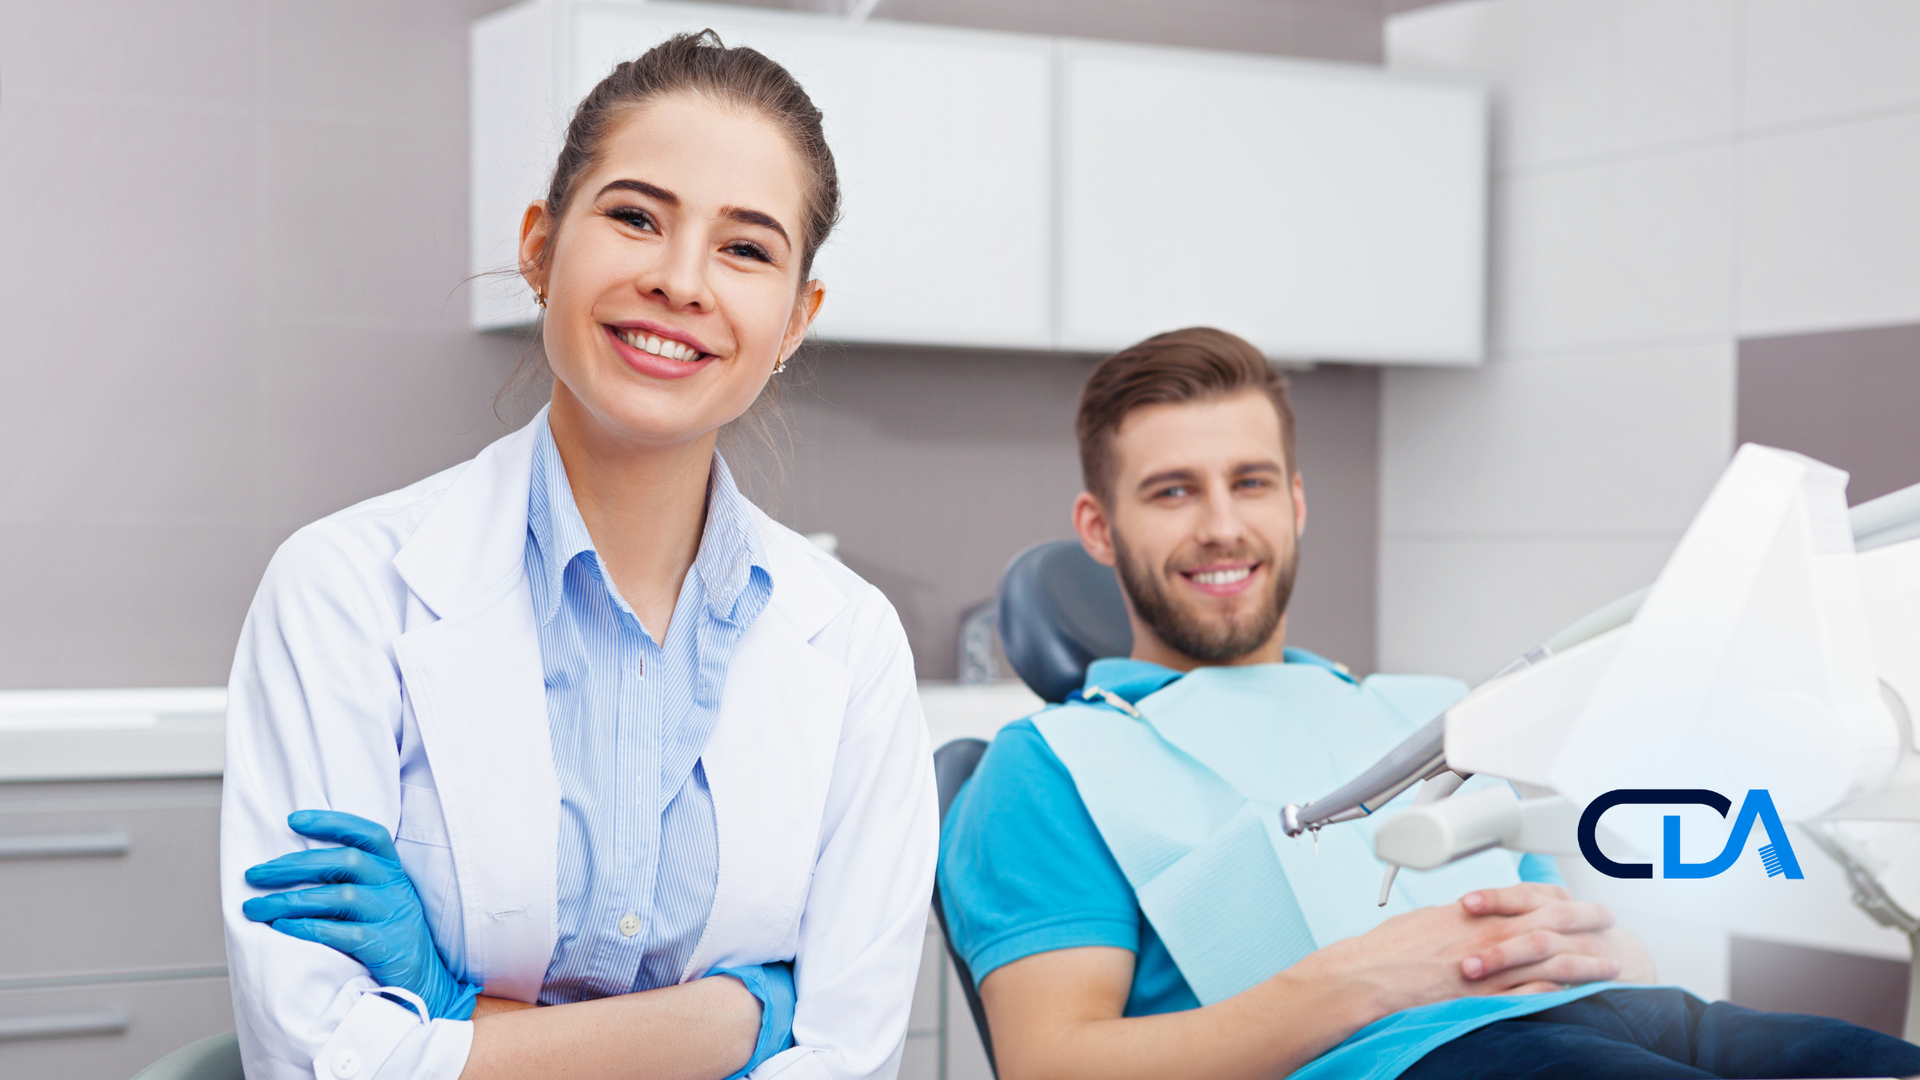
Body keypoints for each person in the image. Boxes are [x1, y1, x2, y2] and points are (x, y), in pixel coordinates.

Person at [221, 33, 935, 1080]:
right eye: (636, 217)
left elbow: (847, 1057)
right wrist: (733, 1024)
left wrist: (452, 1012)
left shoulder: (853, 644)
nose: (682, 281)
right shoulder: (343, 593)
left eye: (746, 249)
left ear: (795, 321)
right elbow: (319, 1056)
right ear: (541, 248)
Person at [936, 327, 1920, 1080]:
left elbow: (1590, 937)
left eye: (1251, 482)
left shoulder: (1429, 717)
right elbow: (1051, 1063)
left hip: (1651, 1021)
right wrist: (1358, 982)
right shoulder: (1049, 765)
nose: (1224, 526)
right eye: (1172, 493)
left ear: (1297, 504)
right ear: (1099, 531)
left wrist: (1615, 947)